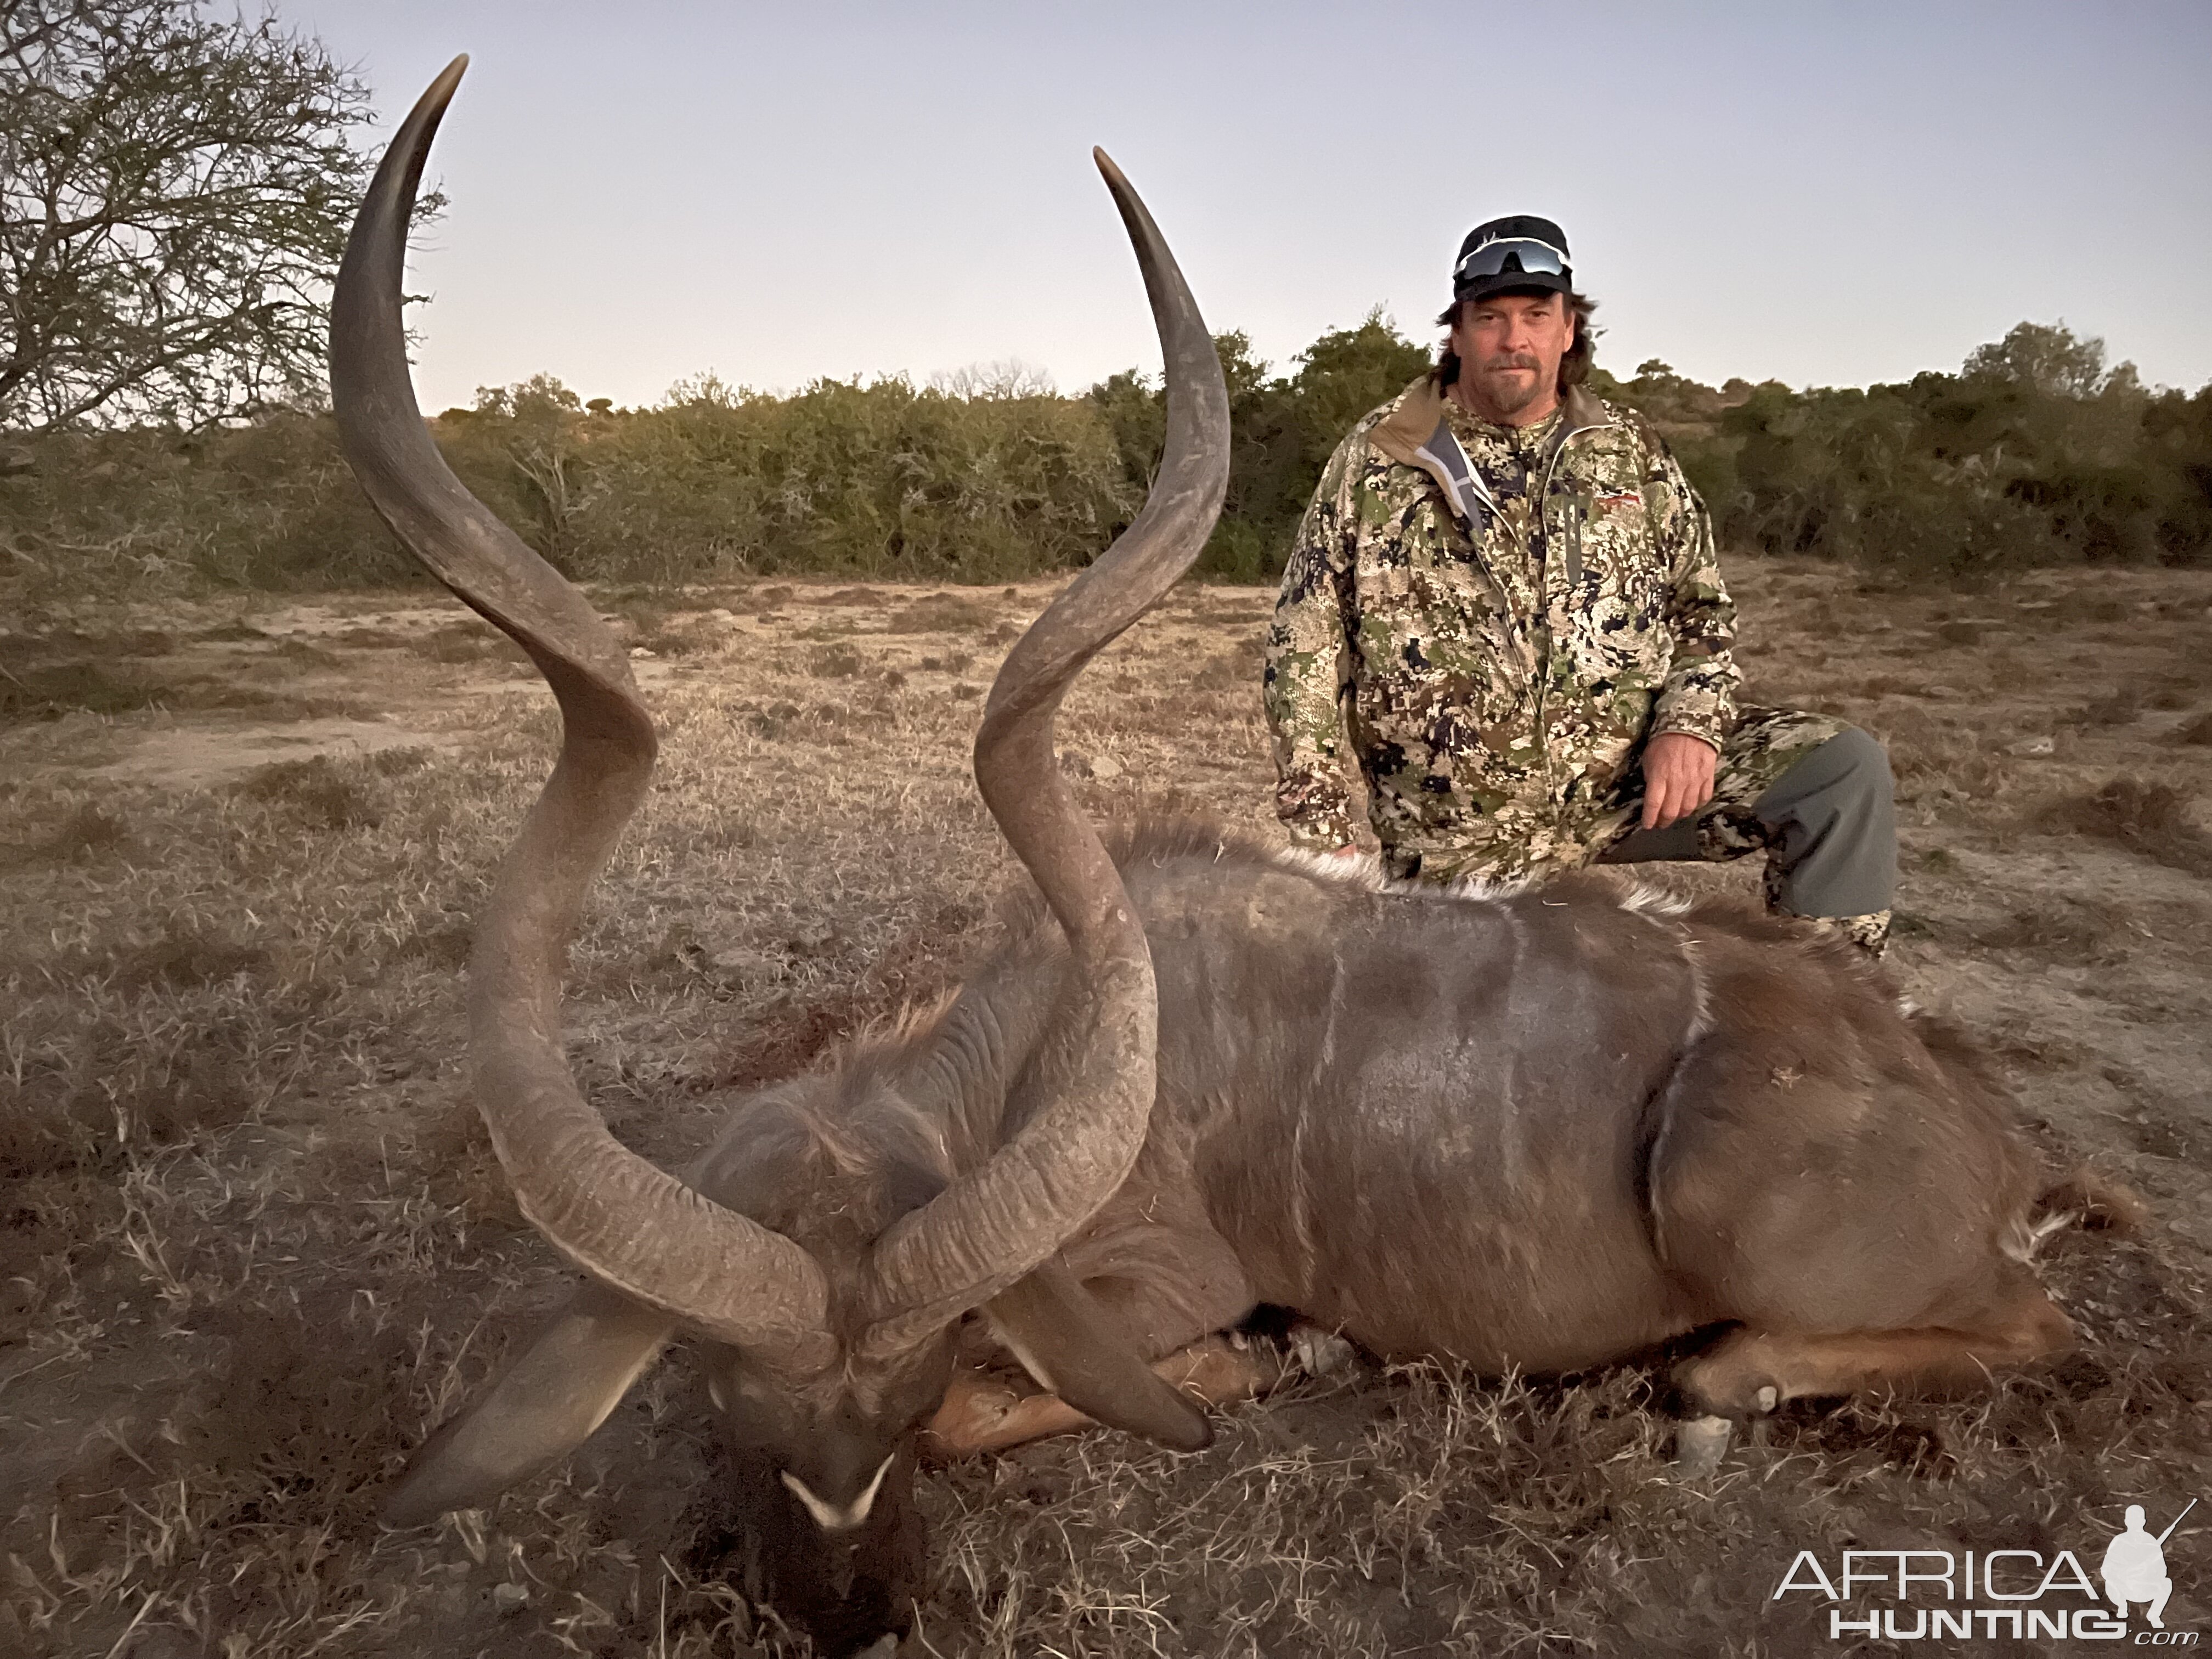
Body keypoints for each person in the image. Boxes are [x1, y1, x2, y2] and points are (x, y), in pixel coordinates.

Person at [1262, 214, 1897, 957]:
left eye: (1536, 315)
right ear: (1458, 334)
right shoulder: (1378, 459)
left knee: (1841, 772)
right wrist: (1327, 833)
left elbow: (1703, 611)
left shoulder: (1630, 451)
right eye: (1490, 318)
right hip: (1463, 836)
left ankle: (1824, 1024)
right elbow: (1301, 645)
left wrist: (1688, 724)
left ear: (1570, 329)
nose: (1513, 339)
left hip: (1625, 793)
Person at [2101, 1504, 2175, 1628]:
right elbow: (2106, 1569)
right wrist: (2125, 1573)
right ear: (2126, 1522)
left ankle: (2154, 1615)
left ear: (2144, 1522)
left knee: (2167, 1583)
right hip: (2124, 1589)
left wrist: (2147, 1571)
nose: (2135, 1522)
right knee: (2109, 1583)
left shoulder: (2151, 1542)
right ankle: (2122, 1606)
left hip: (2146, 1588)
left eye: (2138, 1519)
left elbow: (2163, 1570)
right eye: (2132, 1519)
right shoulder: (2119, 1541)